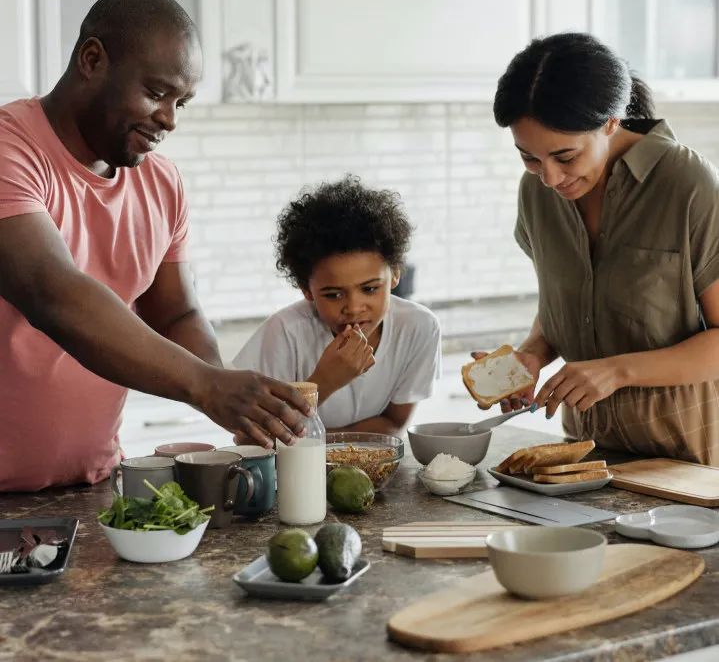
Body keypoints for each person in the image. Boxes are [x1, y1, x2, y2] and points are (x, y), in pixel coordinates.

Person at [0, 0, 309, 492]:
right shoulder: (11, 149)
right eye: (157, 93)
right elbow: (51, 293)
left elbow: (176, 314)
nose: (169, 119)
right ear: (92, 59)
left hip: (93, 485)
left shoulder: (160, 182)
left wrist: (241, 407)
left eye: (181, 102)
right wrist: (205, 385)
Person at [485, 31, 719, 464]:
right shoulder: (536, 193)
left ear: (611, 122)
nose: (550, 178)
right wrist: (532, 355)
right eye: (529, 158)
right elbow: (567, 304)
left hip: (689, 458)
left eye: (566, 157)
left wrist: (616, 371)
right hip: (585, 456)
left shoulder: (687, 185)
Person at [232, 176, 441, 434]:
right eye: (333, 295)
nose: (353, 308)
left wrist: (322, 444)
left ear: (395, 273)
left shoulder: (419, 327)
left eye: (370, 289)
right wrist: (325, 381)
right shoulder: (285, 333)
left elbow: (393, 424)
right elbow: (250, 438)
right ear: (307, 289)